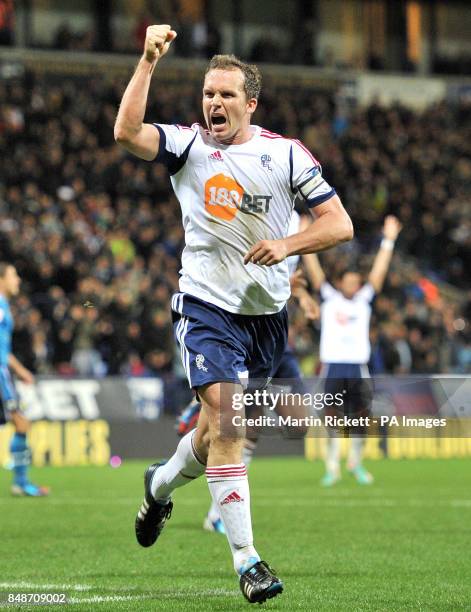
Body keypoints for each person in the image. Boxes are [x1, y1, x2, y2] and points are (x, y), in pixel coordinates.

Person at [114, 24, 353, 604]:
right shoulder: (188, 147)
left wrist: (288, 246)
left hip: (266, 318)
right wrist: (147, 61)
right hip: (205, 306)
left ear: (251, 103)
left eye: (225, 95)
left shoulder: (286, 154)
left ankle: (159, 485)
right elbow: (125, 133)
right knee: (227, 422)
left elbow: (340, 224)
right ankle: (248, 561)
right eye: (207, 93)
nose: (213, 103)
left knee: (207, 437)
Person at [176, 210, 319, 535]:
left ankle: (212, 405)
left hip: (277, 339)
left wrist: (301, 293)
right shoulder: (254, 206)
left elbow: (282, 278)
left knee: (298, 424)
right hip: (242, 332)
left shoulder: (297, 221)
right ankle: (217, 515)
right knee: (236, 426)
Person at [303, 215, 402, 486]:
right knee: (331, 417)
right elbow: (314, 271)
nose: (352, 286)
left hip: (358, 365)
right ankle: (332, 467)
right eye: (348, 281)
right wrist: (304, 234)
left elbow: (379, 273)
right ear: (340, 283)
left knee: (361, 417)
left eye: (356, 282)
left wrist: (389, 241)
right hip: (333, 365)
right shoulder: (329, 298)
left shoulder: (363, 300)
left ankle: (356, 463)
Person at [0, 263, 49, 497]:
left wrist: (20, 371)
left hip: (5, 371)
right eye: (13, 275)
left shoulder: (4, 306)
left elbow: (3, 350)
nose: (17, 280)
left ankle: (20, 482)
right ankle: (20, 482)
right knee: (21, 422)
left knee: (21, 422)